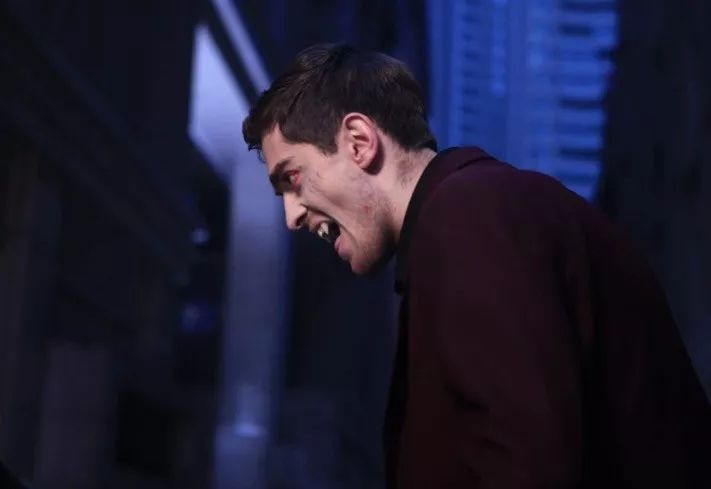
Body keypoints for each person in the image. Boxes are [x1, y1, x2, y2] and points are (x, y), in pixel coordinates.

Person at [242, 44, 711, 488]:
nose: (291, 216)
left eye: (293, 178)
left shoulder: (471, 215)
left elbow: (528, 465)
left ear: (359, 141)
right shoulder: (471, 219)